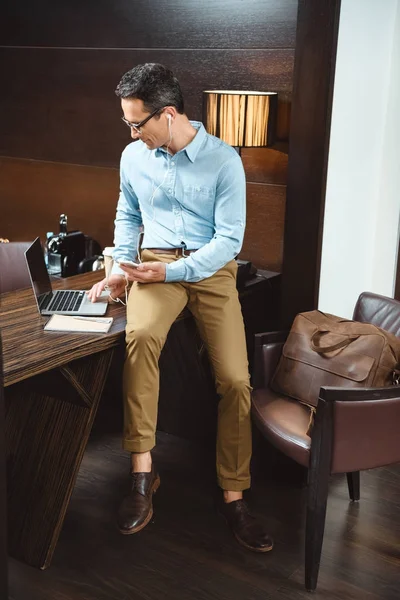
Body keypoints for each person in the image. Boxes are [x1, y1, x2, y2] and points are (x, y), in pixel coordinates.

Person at [88, 63, 273, 553]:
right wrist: (120, 267)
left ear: (168, 115)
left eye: (137, 123)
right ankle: (142, 476)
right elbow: (127, 213)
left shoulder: (224, 161)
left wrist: (171, 273)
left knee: (236, 379)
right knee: (140, 339)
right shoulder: (134, 156)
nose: (131, 132)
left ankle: (234, 494)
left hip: (208, 270)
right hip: (151, 264)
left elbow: (229, 242)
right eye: (128, 123)